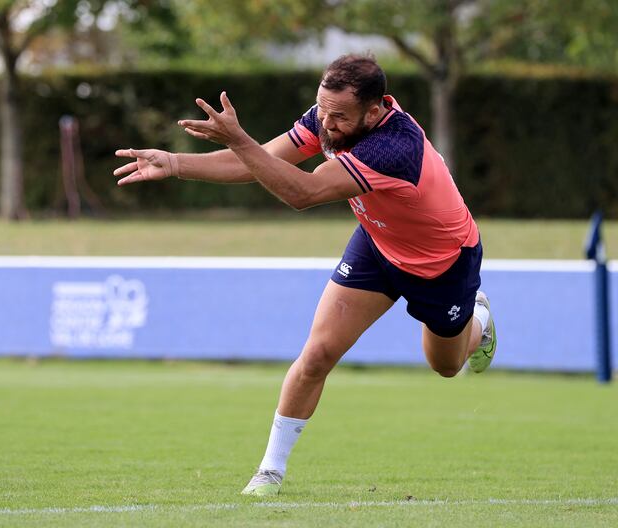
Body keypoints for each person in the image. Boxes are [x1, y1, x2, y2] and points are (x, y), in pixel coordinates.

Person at [113, 54, 497, 497]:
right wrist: (176, 163)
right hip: (377, 243)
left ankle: (479, 320)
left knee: (447, 366)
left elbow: (303, 192)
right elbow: (257, 162)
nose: (327, 123)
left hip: (442, 263)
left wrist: (239, 139)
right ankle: (269, 473)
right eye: (322, 109)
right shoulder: (328, 116)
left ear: (374, 111)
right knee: (317, 354)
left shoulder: (395, 147)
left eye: (339, 116)